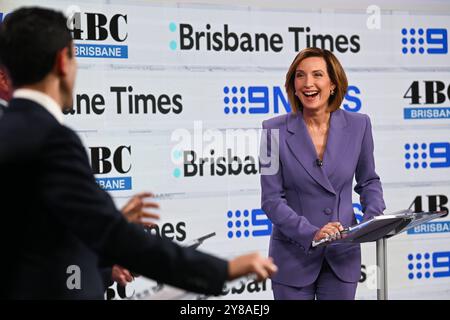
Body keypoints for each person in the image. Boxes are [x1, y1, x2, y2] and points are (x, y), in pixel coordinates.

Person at [0, 7, 277, 299]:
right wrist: (224, 270)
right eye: (75, 55)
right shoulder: (53, 140)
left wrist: (110, 223)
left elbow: (39, 241)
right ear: (62, 61)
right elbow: (116, 238)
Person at [260, 47, 385, 300]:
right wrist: (312, 233)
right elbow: (271, 201)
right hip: (293, 258)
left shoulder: (360, 125)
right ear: (293, 86)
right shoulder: (271, 131)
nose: (308, 83)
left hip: (342, 255)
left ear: (333, 84)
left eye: (317, 74)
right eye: (300, 76)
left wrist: (370, 221)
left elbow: (369, 180)